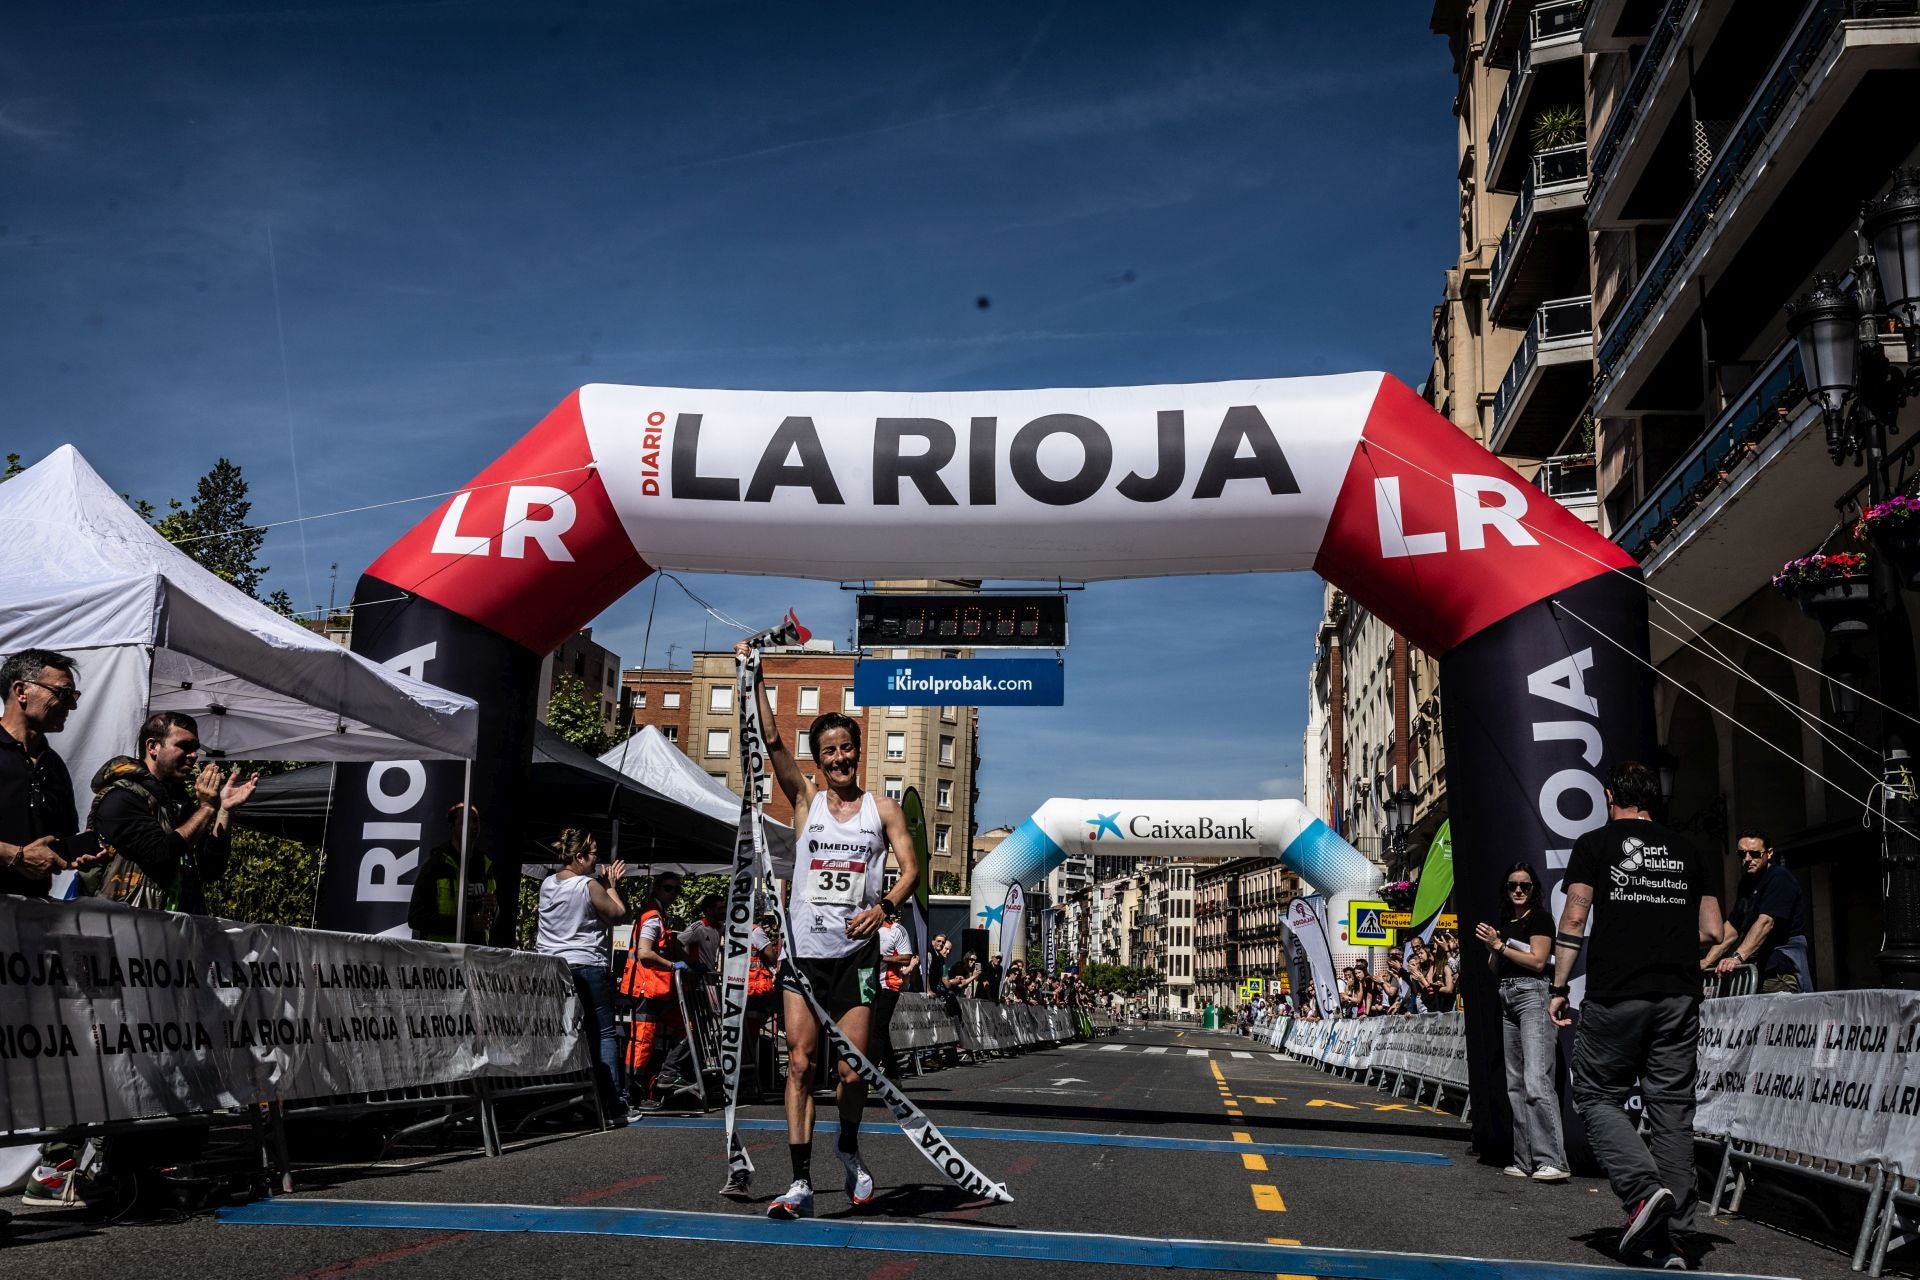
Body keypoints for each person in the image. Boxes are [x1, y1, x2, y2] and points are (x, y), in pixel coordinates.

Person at [739, 640, 919, 1222]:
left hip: (857, 958)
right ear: (817, 762)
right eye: (828, 753)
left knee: (850, 1071)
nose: (838, 759)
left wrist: (885, 907)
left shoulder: (883, 809)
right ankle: (799, 1183)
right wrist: (755, 672)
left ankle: (847, 1144)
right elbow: (771, 743)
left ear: (858, 753)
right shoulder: (806, 799)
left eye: (845, 750)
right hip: (803, 955)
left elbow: (914, 868)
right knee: (798, 1063)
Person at [1551, 761, 1725, 1269]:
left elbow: (1575, 916)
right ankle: (1674, 1237)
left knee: (1594, 1092)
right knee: (1672, 1110)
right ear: (1655, 798)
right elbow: (1714, 930)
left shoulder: (1595, 844)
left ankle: (1642, 1191)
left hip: (1617, 993)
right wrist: (1669, 941)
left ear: (1610, 796)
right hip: (1678, 996)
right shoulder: (1689, 850)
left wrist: (1559, 986)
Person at [92, 711, 255, 915]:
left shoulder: (178, 802)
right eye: (184, 746)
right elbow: (159, 854)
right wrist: (206, 808)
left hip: (177, 931)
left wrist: (224, 810)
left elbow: (210, 869)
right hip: (127, 927)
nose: (194, 755)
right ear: (153, 747)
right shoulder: (121, 797)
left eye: (195, 749)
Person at [1474, 861, 1568, 1183]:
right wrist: (1494, 948)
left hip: (1533, 994)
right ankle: (1524, 1159)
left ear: (1533, 890)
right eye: (1513, 885)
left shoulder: (1540, 918)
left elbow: (1539, 961)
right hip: (1507, 995)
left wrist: (1501, 946)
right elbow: (1493, 967)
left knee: (1536, 1078)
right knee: (1514, 1083)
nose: (1518, 890)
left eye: (1524, 886)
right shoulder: (1506, 922)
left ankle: (1552, 1159)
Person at [535, 829, 630, 1125]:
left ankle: (563, 1099)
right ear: (578, 857)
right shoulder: (588, 885)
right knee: (602, 1033)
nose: (597, 861)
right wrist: (611, 885)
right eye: (593, 855)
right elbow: (618, 914)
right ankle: (614, 1105)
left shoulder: (548, 883)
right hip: (587, 964)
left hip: (553, 967)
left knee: (566, 1033)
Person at [0, 649, 82, 897]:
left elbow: (60, 837)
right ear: (21, 691)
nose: (72, 705)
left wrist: (73, 853)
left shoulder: (53, 764)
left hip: (33, 917)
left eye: (73, 695)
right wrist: (15, 856)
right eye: (63, 693)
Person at [1703, 830, 1811, 993]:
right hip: (1757, 969)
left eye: (1754, 854)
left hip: (1779, 972)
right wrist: (1706, 961)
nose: (1747, 859)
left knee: (1774, 1017)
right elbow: (1733, 927)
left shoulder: (1779, 878)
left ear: (1769, 853)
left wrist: (1737, 958)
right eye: (1742, 854)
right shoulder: (1746, 882)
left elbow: (1766, 922)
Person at [620, 869, 687, 1105]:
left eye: (677, 889)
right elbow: (645, 953)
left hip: (657, 989)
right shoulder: (652, 916)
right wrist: (673, 965)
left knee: (684, 1026)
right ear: (657, 888)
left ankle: (664, 1076)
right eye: (669, 888)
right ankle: (631, 1094)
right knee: (642, 1042)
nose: (674, 893)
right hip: (646, 988)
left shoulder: (659, 915)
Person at [408, 803, 496, 944]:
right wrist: (468, 924)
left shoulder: (485, 864)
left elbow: (490, 915)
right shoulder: (436, 864)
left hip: (476, 957)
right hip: (441, 958)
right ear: (452, 826)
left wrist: (494, 908)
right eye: (464, 822)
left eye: (475, 820)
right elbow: (416, 919)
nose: (472, 826)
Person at [869, 912, 914, 1077]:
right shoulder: (868, 929)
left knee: (877, 1028)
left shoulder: (896, 930)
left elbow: (907, 958)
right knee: (878, 1030)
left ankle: (868, 1075)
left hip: (889, 985)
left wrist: (883, 958)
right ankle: (893, 1073)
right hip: (867, 984)